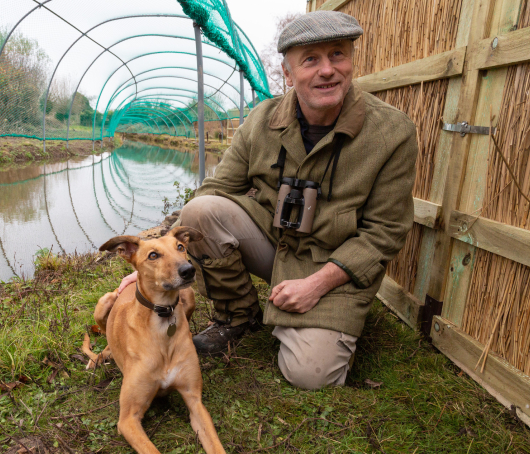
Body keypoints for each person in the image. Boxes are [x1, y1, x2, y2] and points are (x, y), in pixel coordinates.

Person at [118, 11, 417, 390]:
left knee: (310, 375)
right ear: (288, 74)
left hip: (333, 261)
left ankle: (322, 325)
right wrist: (153, 254)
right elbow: (215, 189)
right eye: (311, 59)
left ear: (351, 61)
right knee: (202, 210)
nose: (328, 70)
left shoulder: (392, 132)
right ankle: (238, 316)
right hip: (276, 243)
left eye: (338, 55)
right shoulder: (261, 120)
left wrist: (316, 285)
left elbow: (386, 232)